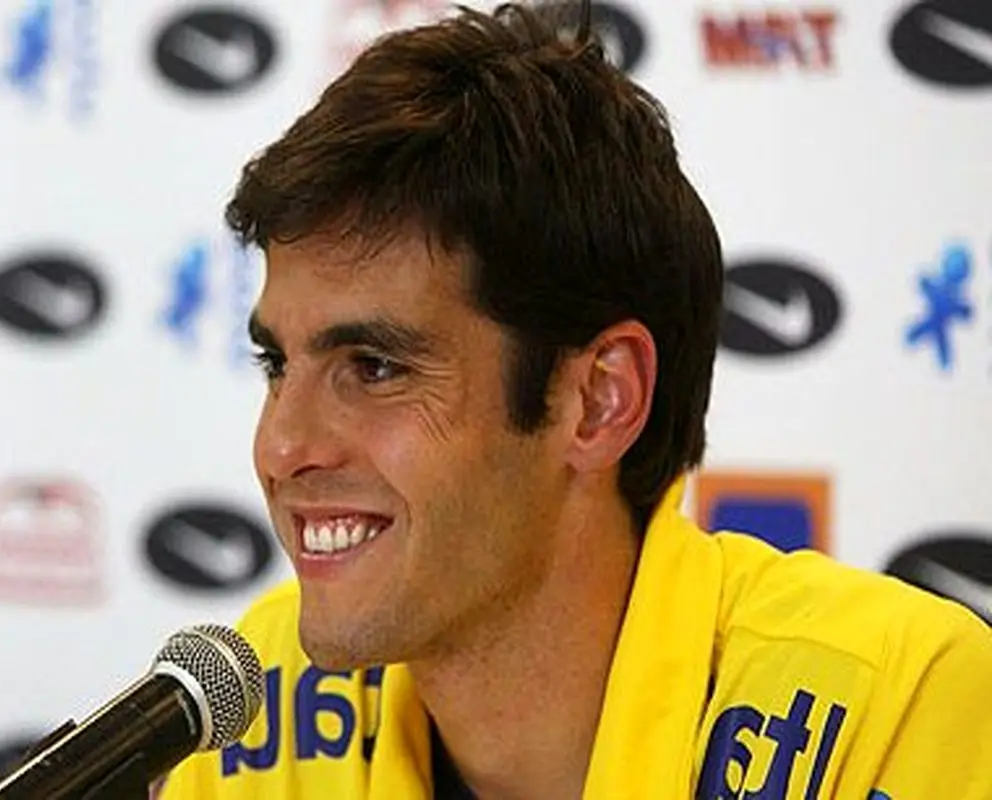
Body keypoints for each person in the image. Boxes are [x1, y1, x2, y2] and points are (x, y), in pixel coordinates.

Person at [159, 3, 992, 798]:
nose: (281, 446)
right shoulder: (256, 710)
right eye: (277, 362)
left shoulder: (895, 712)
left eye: (375, 368)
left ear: (598, 400)